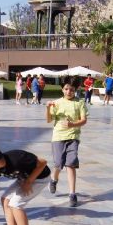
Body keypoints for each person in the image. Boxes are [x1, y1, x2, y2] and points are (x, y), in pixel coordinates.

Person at [46, 76, 88, 207]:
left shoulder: (79, 103)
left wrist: (72, 124)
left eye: (71, 89)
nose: (68, 92)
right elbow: (48, 120)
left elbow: (84, 120)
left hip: (73, 137)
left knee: (71, 163)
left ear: (75, 90)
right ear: (62, 89)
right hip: (58, 137)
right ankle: (54, 179)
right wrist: (47, 108)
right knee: (58, 163)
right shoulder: (57, 103)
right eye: (66, 89)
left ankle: (72, 194)